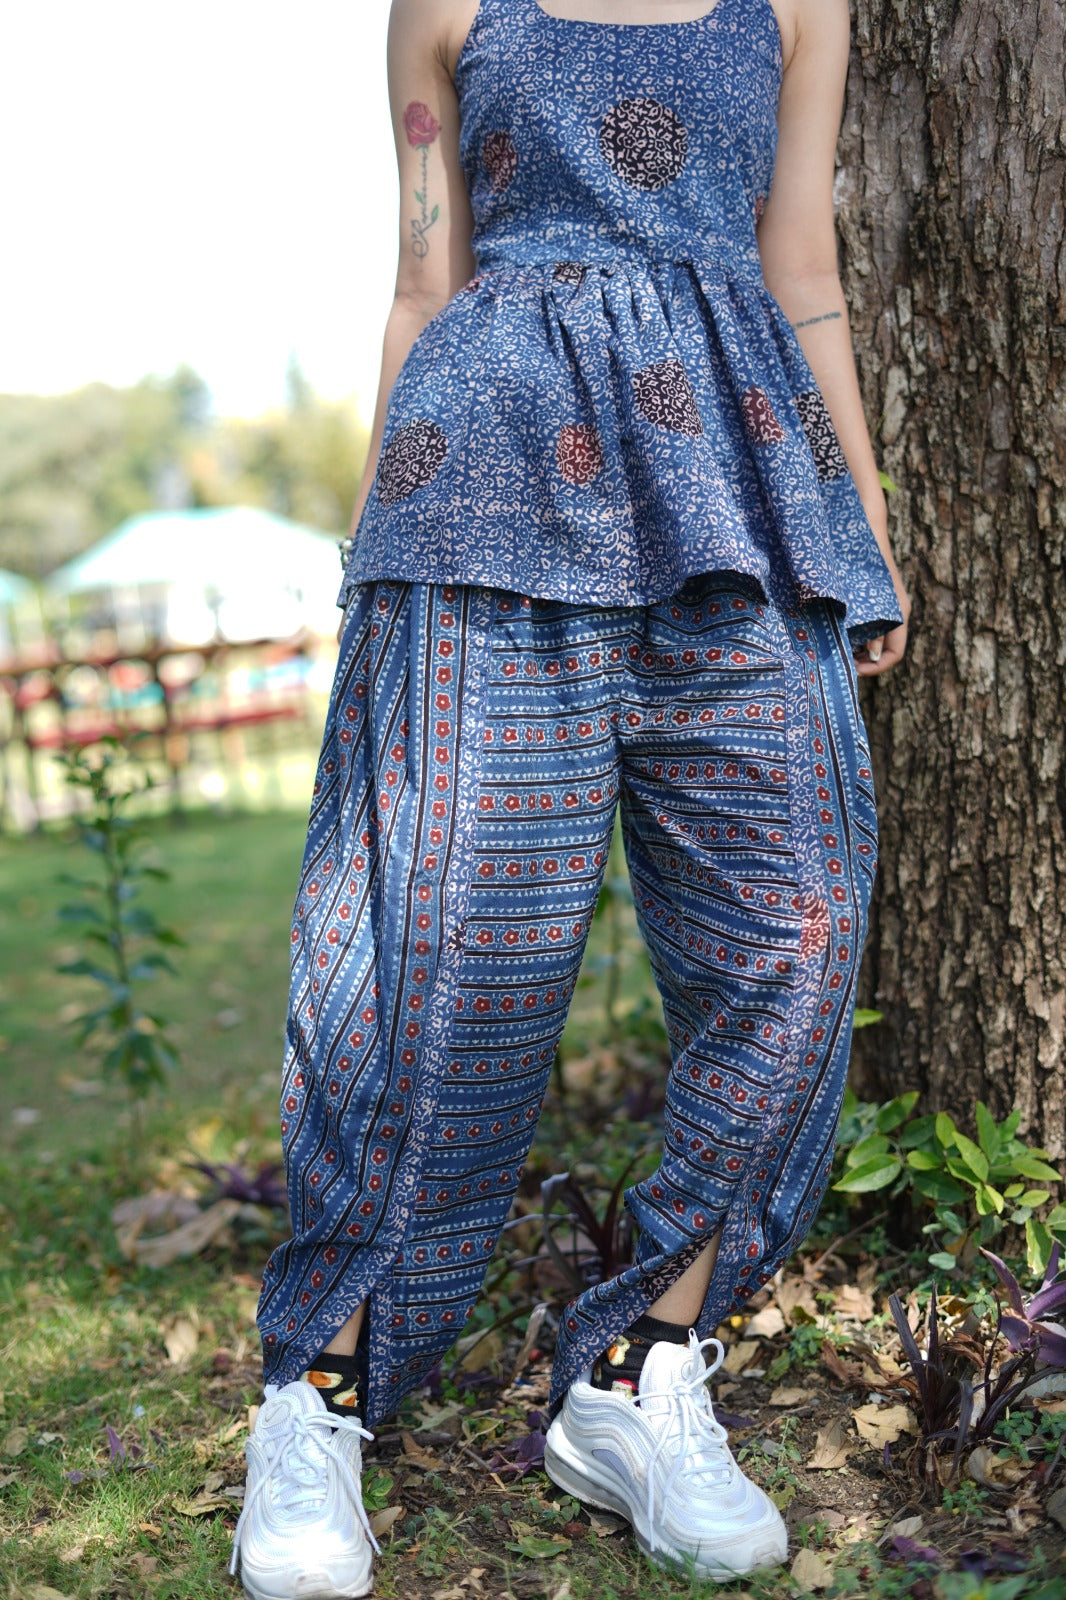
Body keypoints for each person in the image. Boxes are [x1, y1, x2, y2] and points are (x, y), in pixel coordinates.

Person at [229, 0, 910, 1592]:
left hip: (741, 486)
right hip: (480, 485)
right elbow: (425, 280)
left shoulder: (795, 3)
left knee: (801, 930)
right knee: (429, 960)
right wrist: (379, 540)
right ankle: (319, 1387)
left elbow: (801, 269)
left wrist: (860, 523)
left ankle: (637, 1366)